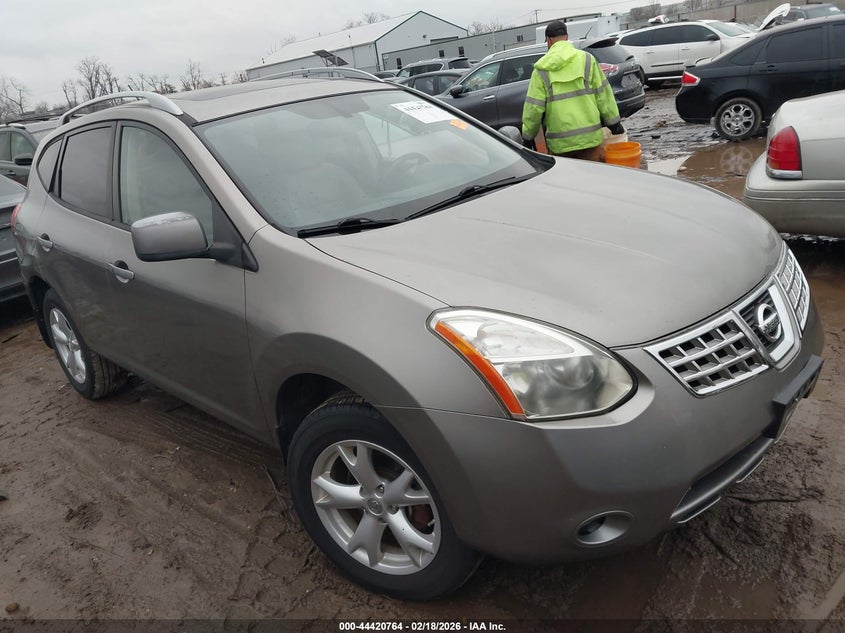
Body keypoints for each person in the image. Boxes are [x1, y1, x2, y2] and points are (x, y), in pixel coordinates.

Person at [522, 20, 626, 161]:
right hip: (590, 140)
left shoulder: (541, 69)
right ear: (567, 36)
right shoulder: (587, 60)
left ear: (548, 40)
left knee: (567, 181)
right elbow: (603, 94)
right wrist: (614, 123)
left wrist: (528, 136)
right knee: (592, 179)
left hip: (560, 144)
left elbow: (533, 108)